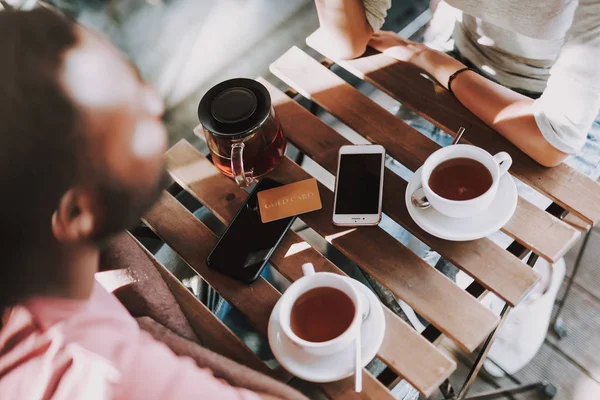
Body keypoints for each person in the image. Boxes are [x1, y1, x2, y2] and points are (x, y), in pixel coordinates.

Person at [0, 8, 306, 400]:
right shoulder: (109, 379)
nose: (153, 102)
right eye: (126, 109)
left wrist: (163, 333)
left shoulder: (33, 250)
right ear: (79, 213)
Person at [314, 0, 600, 391]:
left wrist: (433, 62)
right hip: (459, 66)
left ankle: (529, 295)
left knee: (447, 282)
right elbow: (348, 40)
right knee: (358, 253)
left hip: (565, 112)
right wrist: (437, 62)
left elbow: (555, 138)